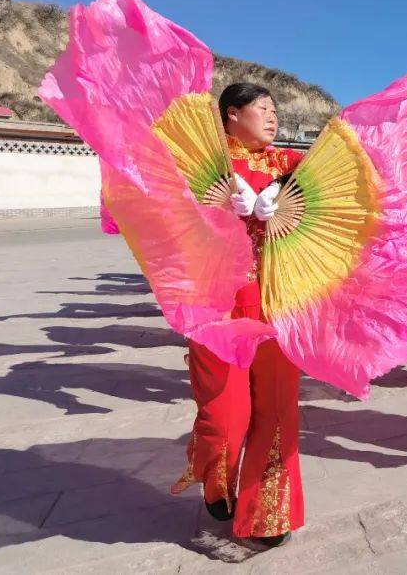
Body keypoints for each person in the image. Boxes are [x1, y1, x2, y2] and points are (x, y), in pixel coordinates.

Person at [171, 82, 305, 547]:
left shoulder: (288, 162)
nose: (273, 117)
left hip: (276, 302)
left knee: (278, 413)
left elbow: (342, 183)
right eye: (263, 109)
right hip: (216, 305)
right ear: (232, 114)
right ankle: (216, 477)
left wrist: (287, 192)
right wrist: (216, 208)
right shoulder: (202, 162)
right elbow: (163, 207)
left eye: (275, 109)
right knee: (226, 414)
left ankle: (268, 511)